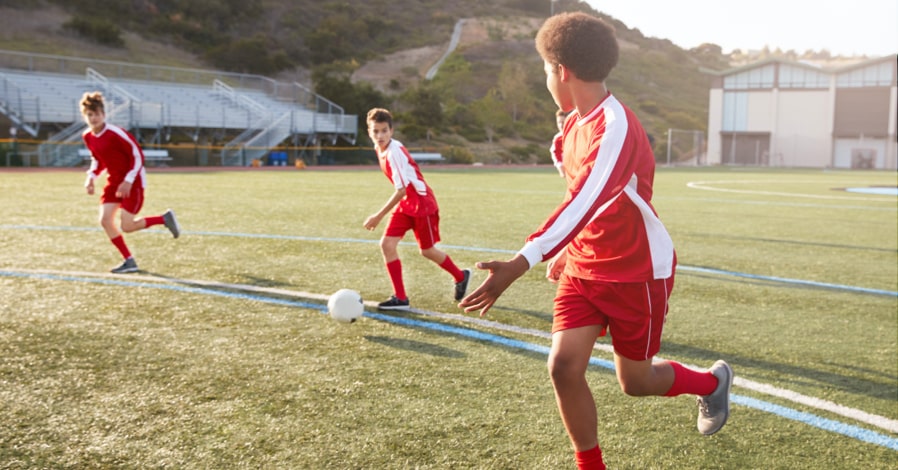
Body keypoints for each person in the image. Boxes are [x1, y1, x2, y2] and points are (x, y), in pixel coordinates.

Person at [459, 13, 732, 470]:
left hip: (635, 270)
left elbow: (586, 199)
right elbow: (581, 198)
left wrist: (521, 261)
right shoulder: (570, 127)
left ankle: (710, 383)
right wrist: (567, 251)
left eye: (545, 69)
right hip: (585, 267)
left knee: (636, 381)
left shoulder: (616, 127)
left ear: (561, 71)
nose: (545, 78)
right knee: (563, 368)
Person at [363, 107, 470, 310]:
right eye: (375, 131)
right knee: (387, 245)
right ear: (369, 132)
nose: (380, 135)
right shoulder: (380, 149)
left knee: (427, 251)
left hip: (422, 204)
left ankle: (460, 276)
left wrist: (377, 216)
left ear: (391, 131)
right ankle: (401, 298)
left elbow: (401, 190)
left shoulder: (394, 152)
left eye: (384, 130)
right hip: (406, 205)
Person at [80, 91, 180, 274]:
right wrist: (91, 178)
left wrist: (128, 180)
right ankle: (129, 260)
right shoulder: (87, 136)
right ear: (85, 116)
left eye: (97, 114)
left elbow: (137, 156)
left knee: (127, 226)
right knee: (105, 220)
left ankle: (164, 219)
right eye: (90, 115)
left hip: (133, 181)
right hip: (113, 182)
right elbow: (97, 159)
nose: (93, 118)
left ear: (104, 114)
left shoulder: (116, 133)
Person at [550, 108, 569, 177]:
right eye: (559, 122)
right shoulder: (558, 138)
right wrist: (560, 168)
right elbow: (555, 153)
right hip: (570, 172)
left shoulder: (578, 134)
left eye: (563, 122)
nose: (561, 125)